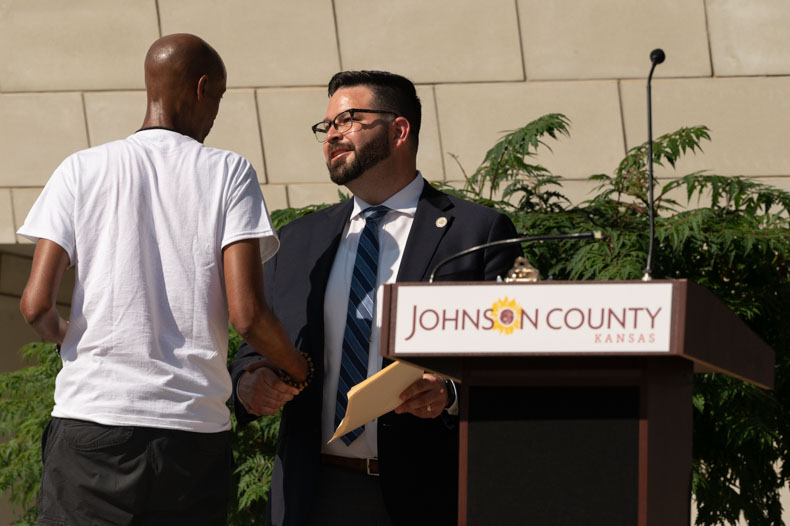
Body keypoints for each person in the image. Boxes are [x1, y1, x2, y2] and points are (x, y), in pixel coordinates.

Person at [18, 33, 307, 525]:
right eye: (216, 98)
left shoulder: (80, 169)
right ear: (199, 88)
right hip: (191, 435)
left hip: (91, 425)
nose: (214, 113)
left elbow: (35, 306)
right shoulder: (228, 172)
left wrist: (72, 338)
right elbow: (248, 314)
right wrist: (298, 370)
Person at [230, 70, 521, 525]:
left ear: (399, 130)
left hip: (428, 494)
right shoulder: (300, 240)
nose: (332, 135)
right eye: (326, 126)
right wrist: (249, 382)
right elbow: (254, 346)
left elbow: (514, 362)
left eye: (347, 120)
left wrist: (449, 394)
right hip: (314, 493)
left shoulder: (477, 233)